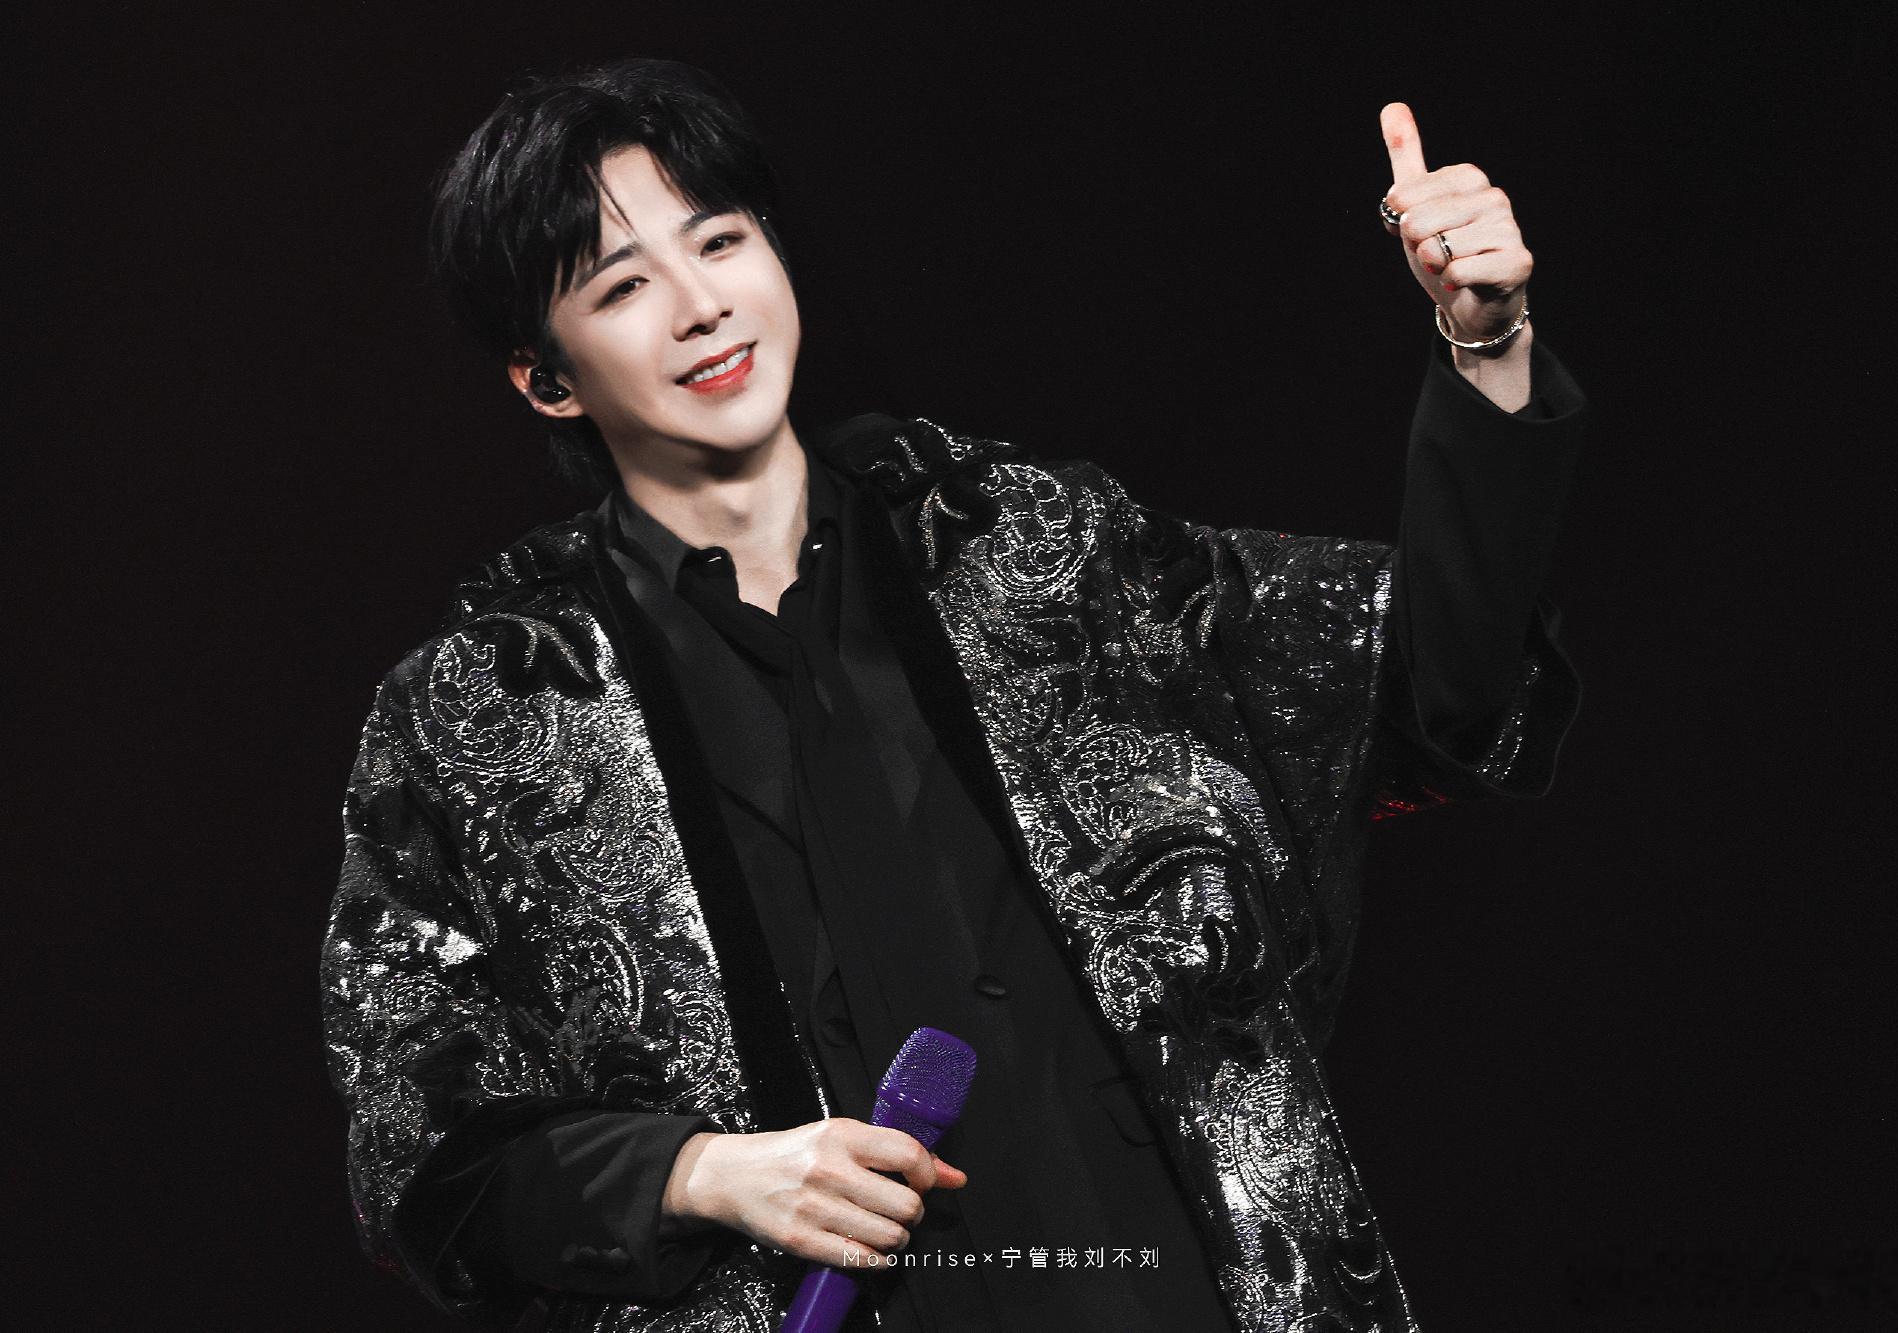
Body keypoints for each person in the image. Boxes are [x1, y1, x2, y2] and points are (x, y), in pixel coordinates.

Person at [320, 56, 1585, 1333]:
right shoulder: (485, 712)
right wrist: (698, 1172)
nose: (701, 306)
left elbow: (1426, 680)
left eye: (719, 240)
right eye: (623, 285)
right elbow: (419, 1154)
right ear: (546, 375)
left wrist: (1485, 343)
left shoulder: (1036, 550)